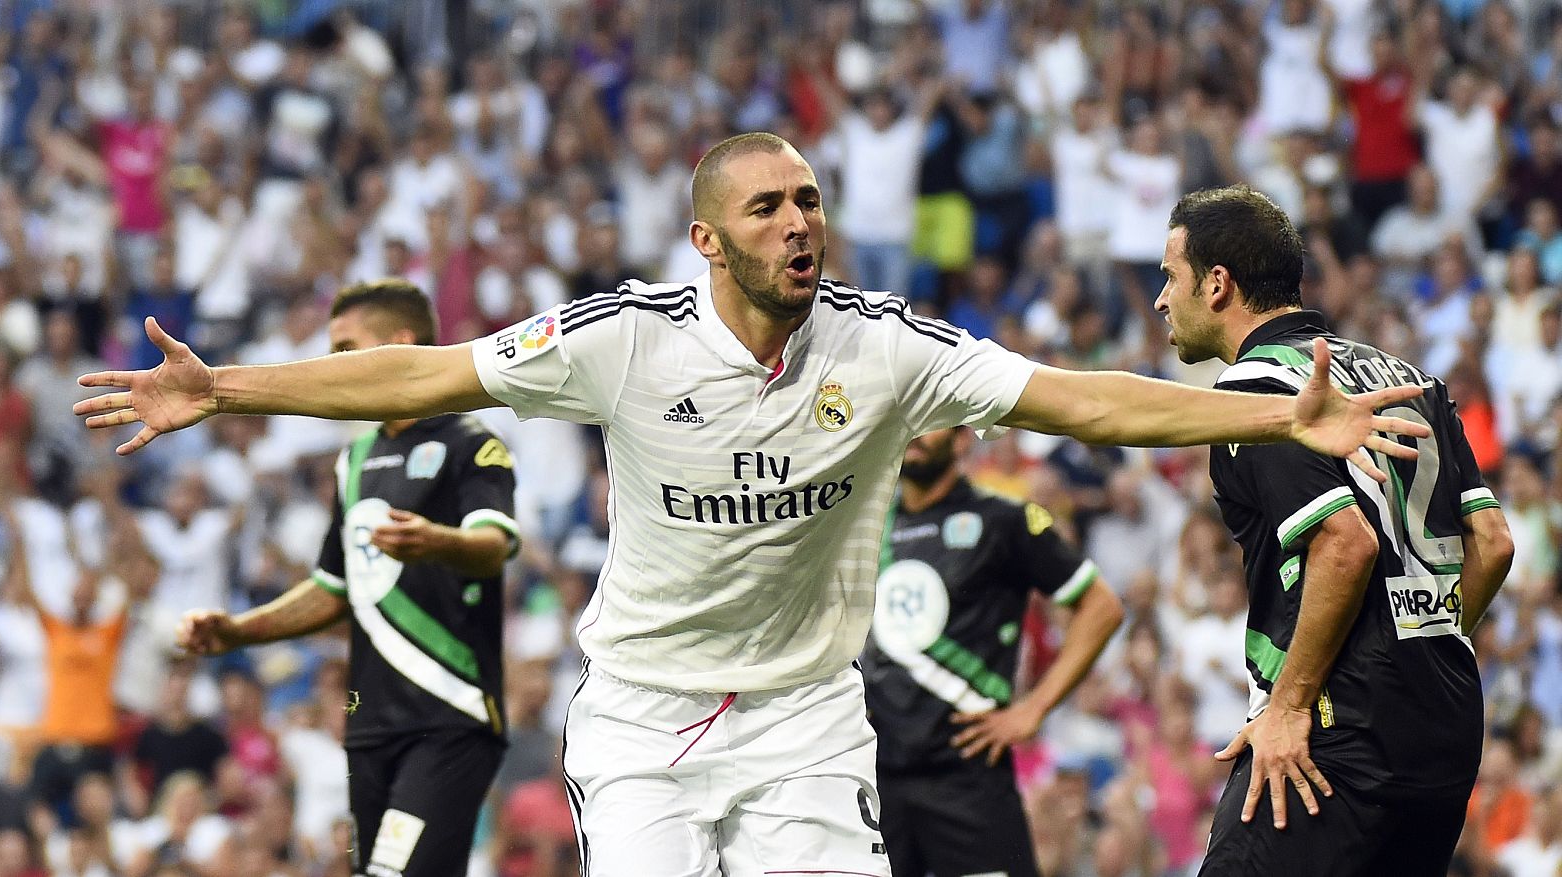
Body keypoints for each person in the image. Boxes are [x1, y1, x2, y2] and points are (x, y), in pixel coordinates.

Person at [80, 133, 1428, 874]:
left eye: (814, 201)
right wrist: (231, 389)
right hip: (645, 716)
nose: (803, 222)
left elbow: (1086, 401)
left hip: (802, 720)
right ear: (709, 240)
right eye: (771, 205)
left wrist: (1279, 411)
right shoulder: (621, 337)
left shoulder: (886, 343)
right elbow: (429, 366)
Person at [1152, 184, 1516, 875]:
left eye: (1171, 278)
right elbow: (1493, 543)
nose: (1161, 300)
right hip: (1445, 723)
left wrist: (1288, 705)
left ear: (1218, 284)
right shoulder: (1411, 378)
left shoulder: (1256, 393)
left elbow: (1347, 542)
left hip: (1337, 731)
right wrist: (1414, 646)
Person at [172, 279, 520, 877]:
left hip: (448, 714)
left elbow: (495, 546)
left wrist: (439, 542)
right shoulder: (353, 459)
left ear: (399, 345)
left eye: (344, 349)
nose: (333, 368)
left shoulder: (470, 442)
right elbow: (336, 587)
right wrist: (239, 632)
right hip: (369, 725)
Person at [864, 425, 1123, 877]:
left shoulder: (1003, 520)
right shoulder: (865, 524)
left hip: (967, 775)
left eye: (934, 421)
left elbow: (1101, 607)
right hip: (874, 774)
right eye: (910, 421)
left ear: (964, 439)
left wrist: (1034, 708)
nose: (916, 434)